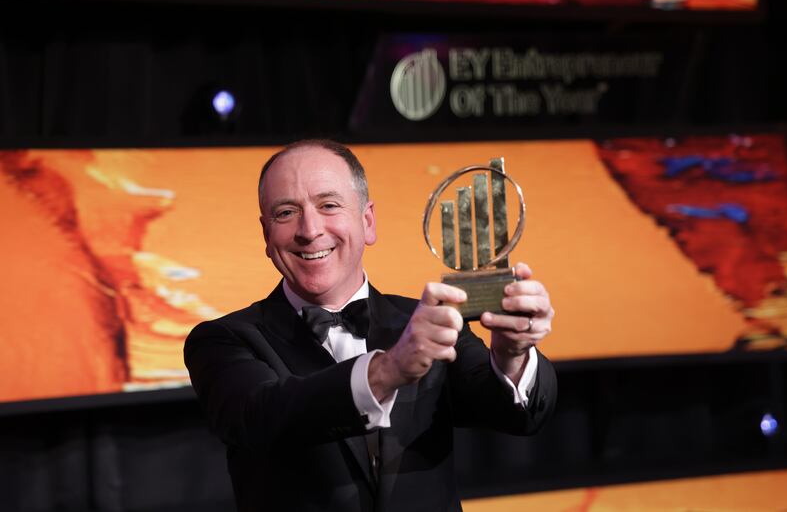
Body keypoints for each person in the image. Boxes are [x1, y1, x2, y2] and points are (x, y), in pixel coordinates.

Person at [184, 139, 557, 512]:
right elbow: (261, 417)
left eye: (329, 205)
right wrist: (389, 370)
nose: (309, 230)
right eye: (286, 212)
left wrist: (512, 354)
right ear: (267, 235)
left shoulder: (425, 320)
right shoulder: (223, 340)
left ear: (367, 222)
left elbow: (515, 416)